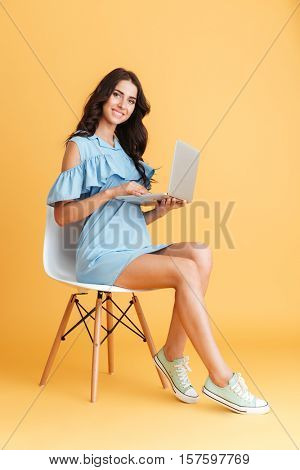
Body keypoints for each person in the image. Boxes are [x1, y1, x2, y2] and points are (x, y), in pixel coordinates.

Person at [47, 67, 270, 415]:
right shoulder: (79, 147)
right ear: (104, 94)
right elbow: (62, 216)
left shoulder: (127, 152)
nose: (123, 104)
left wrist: (161, 211)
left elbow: (131, 218)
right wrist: (113, 191)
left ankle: (173, 355)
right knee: (183, 271)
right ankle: (221, 378)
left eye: (131, 100)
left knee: (199, 253)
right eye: (118, 94)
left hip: (132, 248)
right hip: (100, 255)